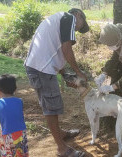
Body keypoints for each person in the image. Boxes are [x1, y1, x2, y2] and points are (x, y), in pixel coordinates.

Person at [24, 8, 89, 157]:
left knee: (52, 104)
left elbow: (57, 51)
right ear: (78, 15)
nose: (78, 29)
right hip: (42, 69)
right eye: (80, 26)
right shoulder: (69, 18)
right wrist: (79, 72)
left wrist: (65, 73)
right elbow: (66, 49)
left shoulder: (59, 20)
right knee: (51, 108)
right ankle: (62, 148)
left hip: (40, 67)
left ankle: (60, 133)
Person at [0, 74, 29, 157]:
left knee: (9, 154)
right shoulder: (19, 101)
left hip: (7, 134)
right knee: (21, 152)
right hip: (21, 133)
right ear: (15, 89)